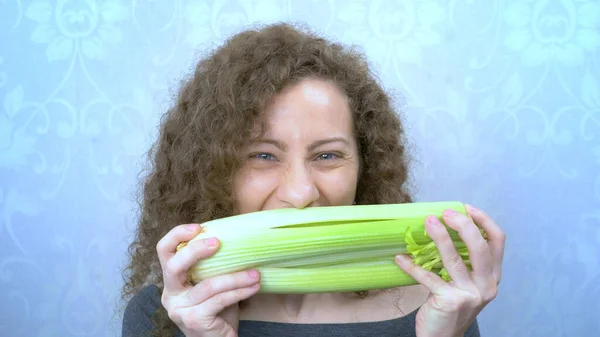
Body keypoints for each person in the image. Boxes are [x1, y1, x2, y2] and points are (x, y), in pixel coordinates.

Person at [120, 22, 505, 337]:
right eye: (263, 156)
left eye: (327, 156)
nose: (301, 193)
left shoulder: (443, 304)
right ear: (213, 169)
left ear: (364, 165)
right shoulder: (166, 314)